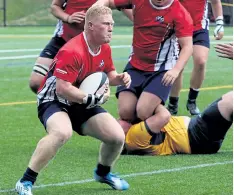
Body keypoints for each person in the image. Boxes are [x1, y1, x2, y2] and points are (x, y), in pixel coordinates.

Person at [15, 5, 131, 195]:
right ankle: (26, 181)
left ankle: (103, 173)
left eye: (112, 24)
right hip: (54, 100)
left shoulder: (104, 47)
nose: (111, 28)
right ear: (91, 26)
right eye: (106, 24)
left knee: (117, 137)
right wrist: (90, 98)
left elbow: (108, 73)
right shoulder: (72, 50)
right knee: (62, 133)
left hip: (80, 100)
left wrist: (119, 78)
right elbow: (63, 88)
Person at [95, 0, 193, 137]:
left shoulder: (180, 12)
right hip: (135, 67)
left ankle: (163, 117)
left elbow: (188, 46)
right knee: (125, 112)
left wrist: (175, 70)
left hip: (161, 70)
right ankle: (137, 130)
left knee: (143, 112)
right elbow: (107, 2)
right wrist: (95, 14)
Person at [29, 0, 133, 94]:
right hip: (63, 39)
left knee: (82, 88)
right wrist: (68, 18)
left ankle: (70, 106)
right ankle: (62, 103)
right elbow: (55, 6)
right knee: (36, 82)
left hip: (89, 46)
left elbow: (130, 11)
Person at [120, 91, 233, 155]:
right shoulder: (133, 137)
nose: (119, 119)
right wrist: (148, 101)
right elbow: (164, 116)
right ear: (121, 136)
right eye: (117, 124)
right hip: (195, 137)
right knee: (231, 101)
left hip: (195, 133)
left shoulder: (132, 135)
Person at [167, 0, 224, 115]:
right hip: (178, 26)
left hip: (199, 26)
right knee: (178, 65)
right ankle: (173, 104)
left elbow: (215, 2)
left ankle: (192, 101)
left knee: (201, 61)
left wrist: (219, 23)